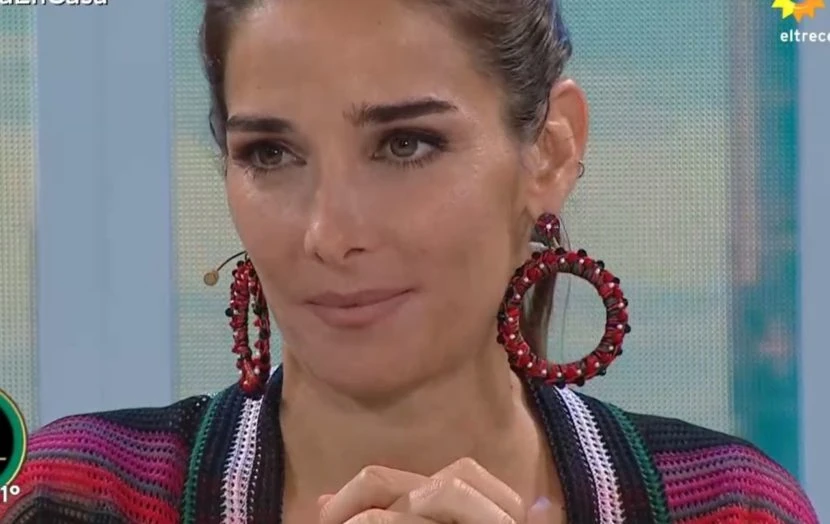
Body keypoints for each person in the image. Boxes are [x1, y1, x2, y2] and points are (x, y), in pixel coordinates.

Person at [0, 0, 819, 523]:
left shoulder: (729, 506)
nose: (329, 234)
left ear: (550, 150)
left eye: (405, 145)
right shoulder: (70, 496)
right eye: (271, 153)